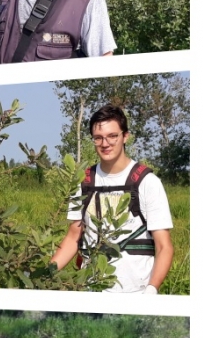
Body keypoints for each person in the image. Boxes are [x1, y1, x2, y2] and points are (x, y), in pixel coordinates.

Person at [47, 105, 174, 293]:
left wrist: (151, 291)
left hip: (136, 292)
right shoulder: (83, 181)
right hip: (90, 290)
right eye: (98, 138)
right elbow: (73, 237)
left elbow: (164, 246)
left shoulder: (147, 182)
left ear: (125, 136)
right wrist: (44, 275)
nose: (105, 144)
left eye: (112, 136)